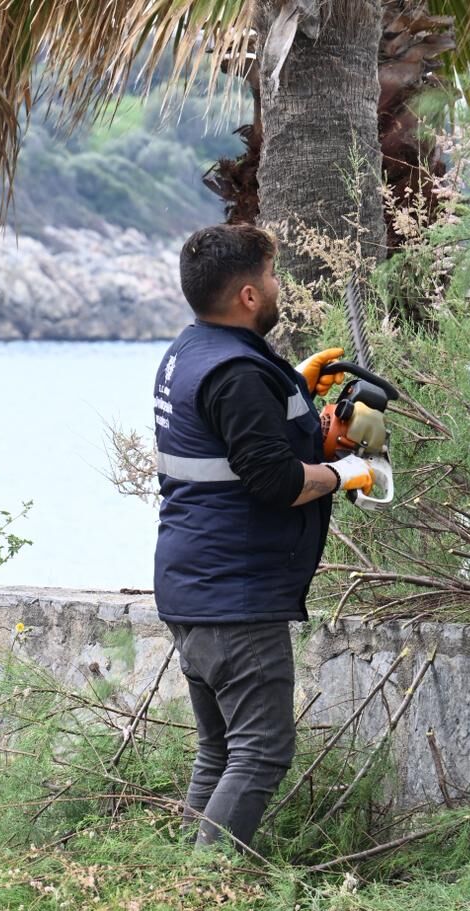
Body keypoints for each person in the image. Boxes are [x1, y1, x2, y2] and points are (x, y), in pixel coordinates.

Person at [151, 223, 371, 850]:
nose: (278, 288)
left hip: (192, 583)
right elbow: (274, 482)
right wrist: (347, 471)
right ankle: (202, 896)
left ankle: (175, 895)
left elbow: (231, 440)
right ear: (249, 295)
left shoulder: (190, 351)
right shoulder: (239, 375)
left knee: (219, 752)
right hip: (235, 597)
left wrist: (295, 387)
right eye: (272, 277)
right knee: (262, 752)